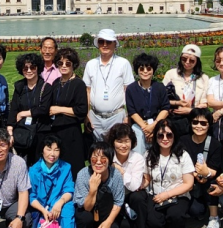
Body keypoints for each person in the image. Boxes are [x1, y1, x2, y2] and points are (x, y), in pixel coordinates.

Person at [126, 123, 194, 228]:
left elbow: (188, 184)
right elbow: (147, 178)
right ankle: (166, 222)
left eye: (169, 135)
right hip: (156, 195)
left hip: (178, 196)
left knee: (175, 215)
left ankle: (177, 226)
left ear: (174, 136)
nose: (165, 139)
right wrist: (139, 185)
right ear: (155, 138)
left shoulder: (183, 155)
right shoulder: (149, 154)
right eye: (160, 135)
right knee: (154, 225)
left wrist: (167, 194)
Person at [21, 136, 76, 228]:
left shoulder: (66, 167)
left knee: (68, 208)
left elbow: (69, 190)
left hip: (58, 205)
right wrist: (44, 211)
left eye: (56, 150)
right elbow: (32, 196)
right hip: (41, 208)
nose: (53, 154)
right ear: (42, 150)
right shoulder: (33, 170)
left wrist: (60, 203)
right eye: (49, 149)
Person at [73, 141, 125, 228]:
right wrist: (92, 190)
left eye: (103, 159)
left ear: (109, 160)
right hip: (88, 210)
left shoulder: (115, 175)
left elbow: (118, 202)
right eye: (94, 158)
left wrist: (108, 223)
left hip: (105, 210)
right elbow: (86, 208)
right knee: (85, 218)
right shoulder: (82, 174)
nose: (98, 162)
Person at [82, 29, 134, 140]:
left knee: (117, 148)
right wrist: (87, 115)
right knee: (97, 152)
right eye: (101, 42)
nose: (105, 45)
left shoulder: (123, 63)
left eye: (108, 42)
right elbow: (87, 91)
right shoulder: (91, 64)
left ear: (115, 44)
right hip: (95, 116)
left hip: (116, 116)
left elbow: (128, 90)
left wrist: (128, 115)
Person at [179, 108, 222, 228]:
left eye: (203, 123)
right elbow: (179, 164)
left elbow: (215, 170)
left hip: (207, 180)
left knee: (213, 182)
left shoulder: (215, 144)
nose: (199, 126)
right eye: (195, 122)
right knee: (196, 211)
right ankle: (199, 208)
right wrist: (194, 174)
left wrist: (206, 173)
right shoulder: (182, 141)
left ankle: (214, 218)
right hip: (189, 181)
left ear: (209, 125)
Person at [108, 123, 150, 228]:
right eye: (119, 141)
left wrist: (120, 170)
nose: (123, 145)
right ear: (113, 142)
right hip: (114, 196)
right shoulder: (108, 157)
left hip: (131, 195)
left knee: (138, 196)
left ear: (132, 142)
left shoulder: (137, 158)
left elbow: (134, 186)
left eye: (127, 141)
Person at [49, 46, 88, 181]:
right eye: (60, 63)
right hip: (56, 130)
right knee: (57, 167)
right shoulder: (56, 83)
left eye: (68, 63)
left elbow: (81, 110)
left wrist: (59, 109)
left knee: (73, 167)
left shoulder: (78, 84)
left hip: (71, 132)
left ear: (74, 65)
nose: (64, 66)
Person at [8, 52, 52, 164]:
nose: (29, 71)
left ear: (38, 68)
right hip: (23, 132)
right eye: (25, 68)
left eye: (32, 67)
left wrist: (23, 114)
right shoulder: (19, 87)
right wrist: (10, 131)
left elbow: (44, 109)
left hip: (40, 131)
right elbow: (13, 109)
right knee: (21, 164)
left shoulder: (45, 87)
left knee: (39, 164)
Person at [125, 52, 170, 154]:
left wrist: (153, 126)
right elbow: (132, 111)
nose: (145, 71)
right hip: (139, 126)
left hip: (157, 123)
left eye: (149, 68)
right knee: (137, 137)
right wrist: (146, 129)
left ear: (153, 70)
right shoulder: (131, 89)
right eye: (141, 69)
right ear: (137, 70)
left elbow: (165, 108)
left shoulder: (159, 87)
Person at [162, 43, 209, 138]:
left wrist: (191, 110)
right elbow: (161, 98)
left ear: (197, 62)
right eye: (184, 59)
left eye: (192, 60)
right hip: (174, 118)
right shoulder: (171, 74)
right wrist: (177, 103)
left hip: (194, 119)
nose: (187, 62)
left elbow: (205, 102)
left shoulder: (203, 78)